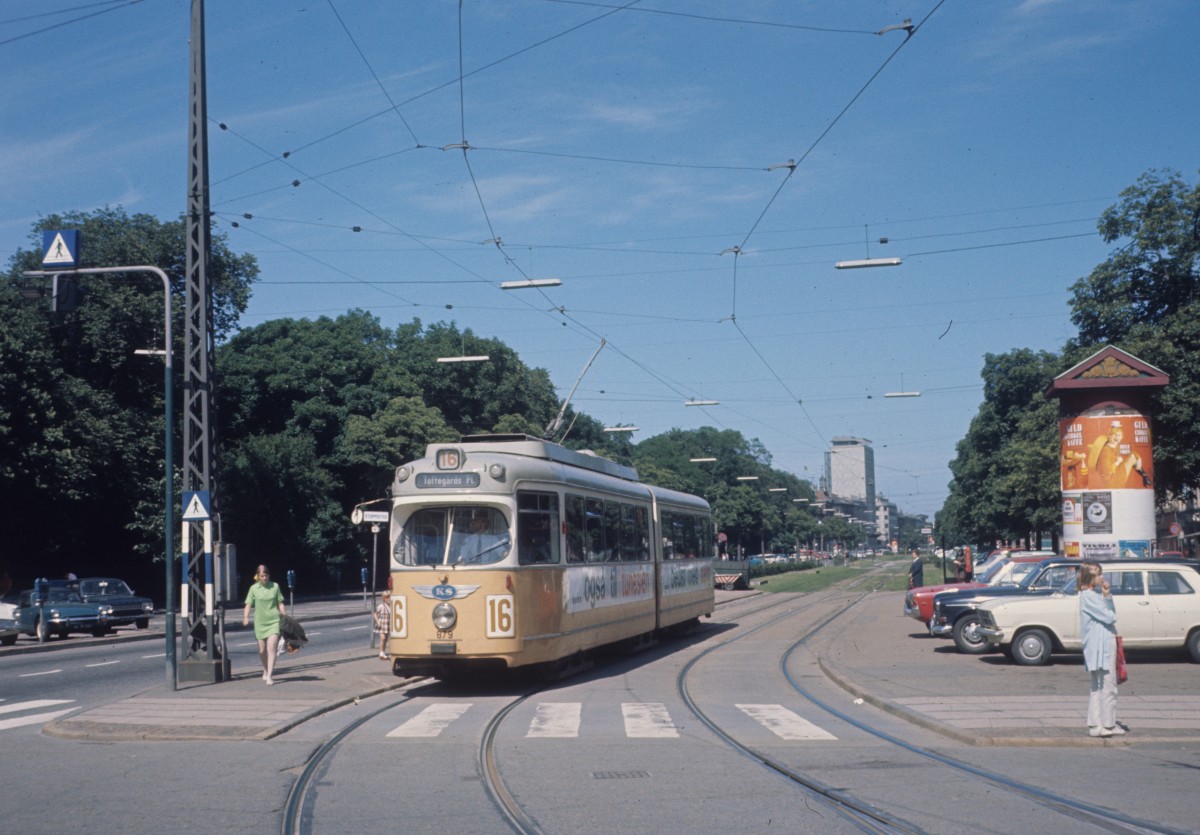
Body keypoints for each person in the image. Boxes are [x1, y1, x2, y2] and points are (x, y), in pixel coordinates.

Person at [1078, 561, 1123, 738]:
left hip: (1098, 646)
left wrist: (1106, 595)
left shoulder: (1090, 596)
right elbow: (1110, 616)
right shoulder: (1089, 597)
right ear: (1090, 577)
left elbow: (1109, 613)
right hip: (1102, 645)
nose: (1101, 577)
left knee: (1098, 686)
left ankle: (1096, 723)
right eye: (1098, 574)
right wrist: (1106, 598)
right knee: (1109, 685)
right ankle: (1108, 724)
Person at [242, 565, 286, 685]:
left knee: (271, 647)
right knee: (262, 650)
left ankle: (270, 675)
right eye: (262, 576)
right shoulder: (253, 588)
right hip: (260, 622)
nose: (264, 578)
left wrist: (284, 616)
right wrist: (246, 617)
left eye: (266, 575)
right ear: (258, 576)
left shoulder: (275, 586)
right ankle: (266, 669)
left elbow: (280, 603)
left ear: (269, 575)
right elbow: (248, 604)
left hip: (274, 621)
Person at [374, 589, 392, 661]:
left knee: (386, 639)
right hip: (382, 623)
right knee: (383, 638)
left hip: (388, 623)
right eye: (386, 598)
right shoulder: (381, 606)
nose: (388, 599)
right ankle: (381, 653)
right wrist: (378, 621)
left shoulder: (391, 605)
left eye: (389, 597)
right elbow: (375, 614)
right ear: (384, 598)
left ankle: (383, 652)